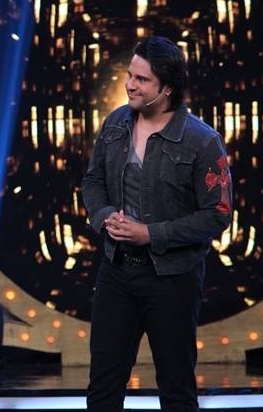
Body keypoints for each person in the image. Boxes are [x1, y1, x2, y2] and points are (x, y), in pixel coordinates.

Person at [82, 36, 232, 411]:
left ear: (166, 88)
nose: (130, 85)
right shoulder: (115, 123)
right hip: (116, 270)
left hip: (172, 278)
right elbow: (93, 181)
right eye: (129, 75)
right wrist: (104, 216)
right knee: (102, 387)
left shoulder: (202, 141)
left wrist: (149, 234)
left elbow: (217, 215)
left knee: (176, 388)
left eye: (142, 79)